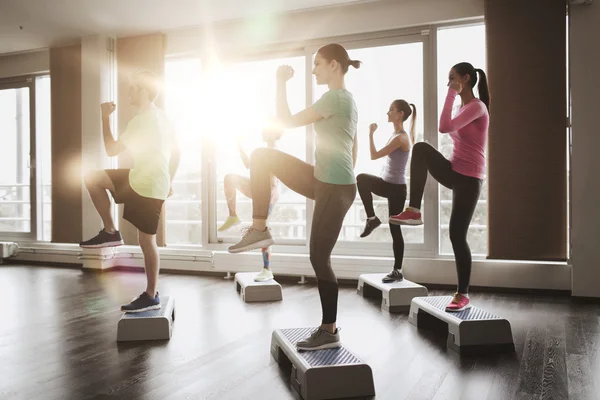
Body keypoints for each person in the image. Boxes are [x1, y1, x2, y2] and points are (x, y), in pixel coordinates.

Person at [228, 44, 360, 351]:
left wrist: (280, 83)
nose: (313, 69)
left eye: (317, 64)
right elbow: (350, 147)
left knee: (318, 257)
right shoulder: (346, 100)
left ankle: (329, 330)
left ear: (334, 66)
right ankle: (259, 227)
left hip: (334, 186)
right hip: (324, 179)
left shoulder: (335, 97)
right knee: (261, 156)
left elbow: (285, 121)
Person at [390, 62, 490, 312]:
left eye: (452, 78)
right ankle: (413, 209)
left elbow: (444, 127)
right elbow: (445, 126)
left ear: (466, 79)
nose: (449, 83)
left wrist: (451, 92)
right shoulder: (461, 106)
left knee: (457, 235)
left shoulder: (477, 107)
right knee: (421, 149)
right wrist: (453, 96)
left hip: (469, 178)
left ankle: (463, 293)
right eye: (448, 80)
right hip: (454, 170)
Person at [80, 71, 180, 313]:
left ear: (144, 92)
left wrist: (104, 118)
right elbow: (176, 153)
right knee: (93, 177)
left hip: (146, 186)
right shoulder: (163, 117)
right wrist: (169, 181)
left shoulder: (142, 121)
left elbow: (112, 149)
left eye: (133, 88)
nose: (129, 92)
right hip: (142, 179)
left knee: (146, 241)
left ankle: (151, 294)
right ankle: (110, 231)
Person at [356, 99, 416, 283]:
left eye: (391, 110)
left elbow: (374, 155)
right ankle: (372, 219)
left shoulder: (400, 138)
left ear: (400, 114)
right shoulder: (395, 135)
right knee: (362, 180)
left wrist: (370, 134)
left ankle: (397, 270)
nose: (387, 113)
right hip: (389, 184)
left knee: (394, 229)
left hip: (396, 189)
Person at [218, 124, 283, 282]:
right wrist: (240, 146)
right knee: (229, 178)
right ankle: (233, 216)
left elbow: (276, 175)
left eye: (266, 130)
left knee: (262, 231)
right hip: (258, 187)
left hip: (270, 191)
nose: (263, 131)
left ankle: (267, 269)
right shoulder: (264, 150)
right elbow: (249, 165)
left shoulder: (275, 149)